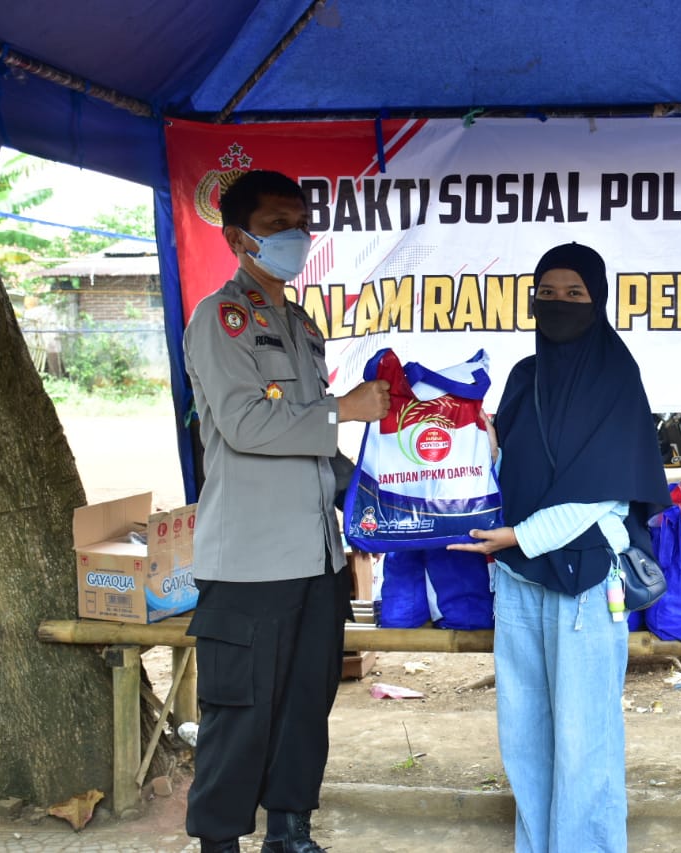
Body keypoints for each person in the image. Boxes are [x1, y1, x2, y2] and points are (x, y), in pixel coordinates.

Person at [182, 170, 391, 853]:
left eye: (300, 223)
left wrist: (375, 491)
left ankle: (290, 832)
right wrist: (343, 409)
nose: (294, 236)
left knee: (306, 703)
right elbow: (246, 424)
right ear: (236, 237)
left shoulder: (300, 325)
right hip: (250, 561)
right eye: (277, 225)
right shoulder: (221, 319)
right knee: (239, 712)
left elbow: (310, 444)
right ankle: (219, 841)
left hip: (316, 557)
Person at [448, 242, 670, 852]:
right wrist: (473, 446)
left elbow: (604, 495)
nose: (559, 304)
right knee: (524, 734)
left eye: (574, 293)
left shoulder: (616, 378)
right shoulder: (525, 376)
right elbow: (510, 472)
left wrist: (520, 536)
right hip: (518, 580)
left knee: (583, 738)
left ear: (598, 301)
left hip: (586, 585)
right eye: (547, 293)